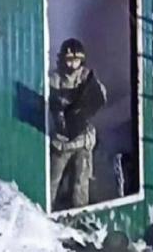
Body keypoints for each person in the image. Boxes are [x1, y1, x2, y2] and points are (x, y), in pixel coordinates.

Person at [49, 38, 106, 209]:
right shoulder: (55, 78)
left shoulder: (85, 76)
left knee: (81, 185)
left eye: (76, 60)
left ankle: (80, 214)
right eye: (69, 60)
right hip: (61, 142)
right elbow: (49, 101)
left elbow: (101, 96)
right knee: (52, 182)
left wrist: (86, 103)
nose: (73, 64)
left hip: (83, 140)